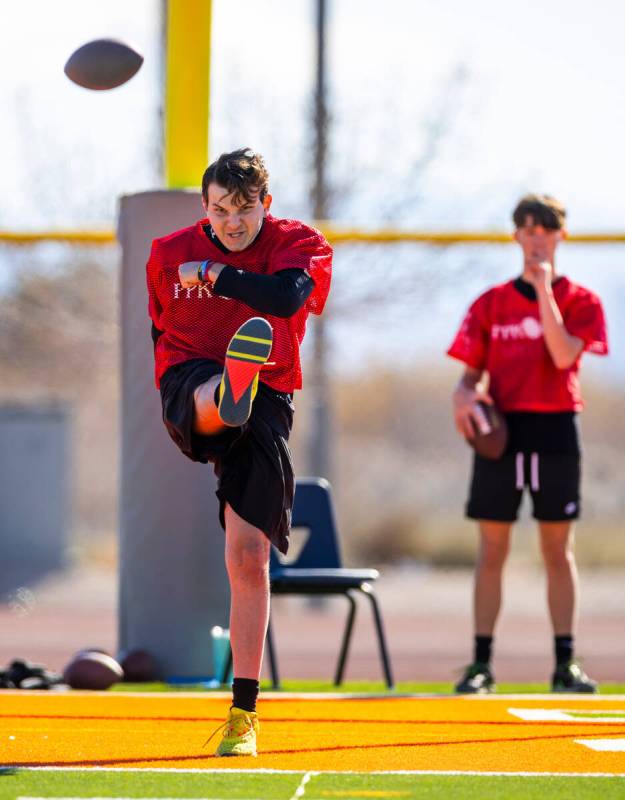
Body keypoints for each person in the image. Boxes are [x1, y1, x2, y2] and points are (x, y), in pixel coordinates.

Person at [146, 148, 332, 754]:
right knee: (204, 388)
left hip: (268, 388)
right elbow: (158, 325)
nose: (233, 221)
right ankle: (223, 392)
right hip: (190, 378)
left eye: (245, 208)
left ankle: (243, 716)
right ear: (204, 207)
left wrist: (218, 275)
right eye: (220, 208)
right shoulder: (168, 253)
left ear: (265, 205)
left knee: (249, 558)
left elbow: (283, 301)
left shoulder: (298, 242)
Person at [447, 193, 608, 694]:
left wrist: (544, 293)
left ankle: (564, 663)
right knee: (491, 548)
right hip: (504, 432)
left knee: (557, 549)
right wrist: (463, 398)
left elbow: (563, 358)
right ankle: (480, 664)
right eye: (528, 230)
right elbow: (469, 377)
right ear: (516, 235)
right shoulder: (491, 303)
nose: (537, 239)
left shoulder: (581, 301)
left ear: (561, 236)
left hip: (556, 427)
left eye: (546, 230)